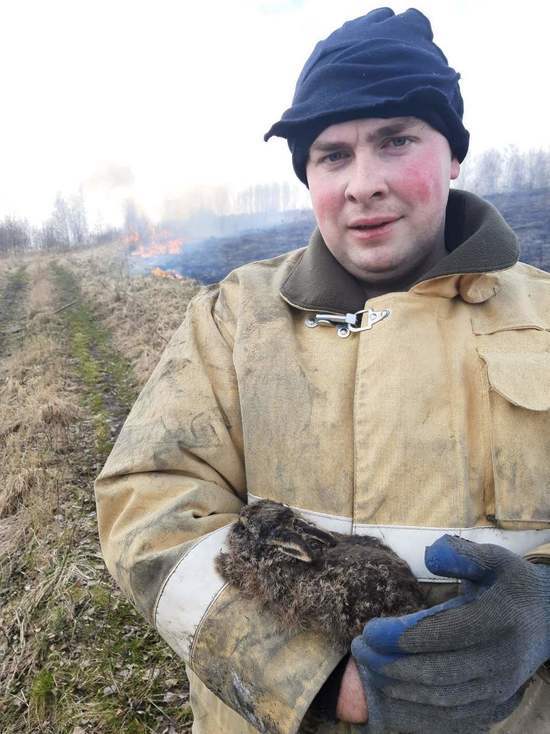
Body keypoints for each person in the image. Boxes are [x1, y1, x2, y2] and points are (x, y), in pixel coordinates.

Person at [95, 7, 550, 734]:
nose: (363, 183)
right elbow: (147, 511)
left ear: (454, 154)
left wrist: (544, 611)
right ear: (308, 174)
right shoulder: (232, 318)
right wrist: (313, 680)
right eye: (332, 155)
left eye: (396, 140)